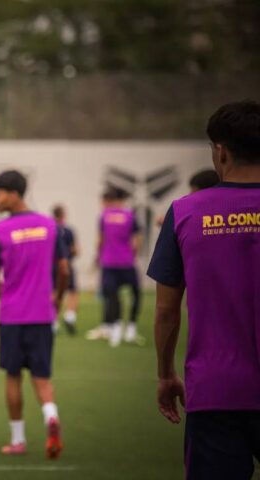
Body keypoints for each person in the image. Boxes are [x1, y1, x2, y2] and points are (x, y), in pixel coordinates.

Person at [148, 99, 260, 479]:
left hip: (216, 391)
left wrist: (165, 373)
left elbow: (165, 310)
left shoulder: (185, 213)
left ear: (220, 151)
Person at [0, 170, 69, 458]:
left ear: (12, 193)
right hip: (42, 315)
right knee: (42, 377)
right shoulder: (49, 226)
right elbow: (63, 270)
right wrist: (57, 297)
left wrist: (5, 296)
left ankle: (18, 440)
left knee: (12, 377)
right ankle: (51, 418)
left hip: (12, 316)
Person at [94, 187, 143, 347]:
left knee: (112, 297)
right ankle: (131, 328)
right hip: (127, 262)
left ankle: (115, 331)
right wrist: (133, 254)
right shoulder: (130, 215)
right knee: (136, 293)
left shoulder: (104, 216)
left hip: (109, 263)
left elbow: (100, 240)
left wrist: (98, 257)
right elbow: (137, 240)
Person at [52, 205, 79, 335]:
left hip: (51, 266)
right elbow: (74, 250)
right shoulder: (68, 230)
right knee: (72, 291)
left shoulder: (50, 229)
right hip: (66, 264)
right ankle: (70, 316)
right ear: (63, 215)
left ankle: (53, 321)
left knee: (54, 292)